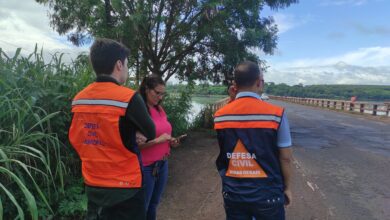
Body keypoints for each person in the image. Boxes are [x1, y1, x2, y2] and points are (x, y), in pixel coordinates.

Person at [68, 38, 156, 220]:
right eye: (126, 65)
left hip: (93, 184)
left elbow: (77, 137)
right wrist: (136, 132)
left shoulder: (79, 99)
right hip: (126, 187)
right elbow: (151, 132)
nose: (126, 69)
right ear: (118, 65)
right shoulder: (128, 97)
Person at [213, 61, 293, 220]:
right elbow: (286, 157)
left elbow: (226, 150)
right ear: (259, 82)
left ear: (235, 85)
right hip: (268, 195)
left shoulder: (220, 116)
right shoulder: (276, 114)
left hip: (233, 194)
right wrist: (287, 188)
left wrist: (232, 100)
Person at [137, 74, 181, 220]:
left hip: (162, 164)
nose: (160, 97)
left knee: (154, 204)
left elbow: (164, 133)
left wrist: (171, 141)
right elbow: (136, 145)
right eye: (157, 93)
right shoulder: (138, 112)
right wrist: (158, 141)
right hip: (146, 167)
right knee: (143, 207)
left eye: (162, 94)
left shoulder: (159, 109)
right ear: (146, 89)